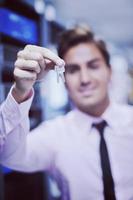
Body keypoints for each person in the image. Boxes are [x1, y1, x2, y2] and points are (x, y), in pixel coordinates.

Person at [0, 25, 133, 200]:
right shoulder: (53, 134)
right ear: (63, 80)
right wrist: (20, 93)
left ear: (109, 71)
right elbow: (8, 156)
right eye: (73, 70)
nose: (85, 79)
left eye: (93, 66)